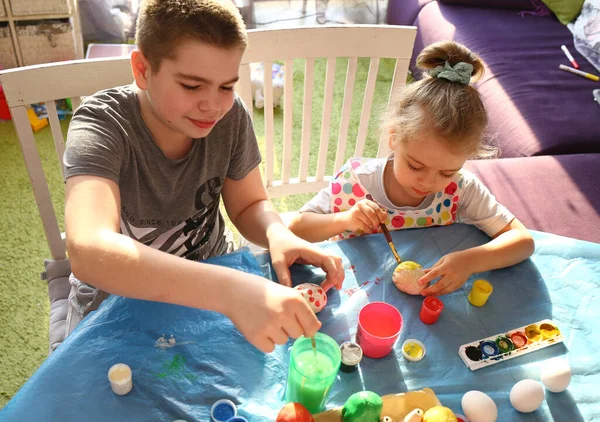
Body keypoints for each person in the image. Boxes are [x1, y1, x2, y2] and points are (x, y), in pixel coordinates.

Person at [63, 0, 344, 354]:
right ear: (142, 69)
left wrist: (277, 234)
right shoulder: (102, 126)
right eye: (193, 86)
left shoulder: (229, 118)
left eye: (226, 86)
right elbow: (88, 250)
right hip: (121, 296)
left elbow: (249, 205)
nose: (213, 105)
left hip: (212, 266)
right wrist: (231, 291)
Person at [288, 41, 534, 297]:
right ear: (394, 137)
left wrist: (469, 261)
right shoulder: (355, 183)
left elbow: (522, 242)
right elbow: (294, 229)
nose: (428, 182)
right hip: (357, 298)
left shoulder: (461, 189)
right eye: (416, 166)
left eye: (447, 172)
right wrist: (344, 219)